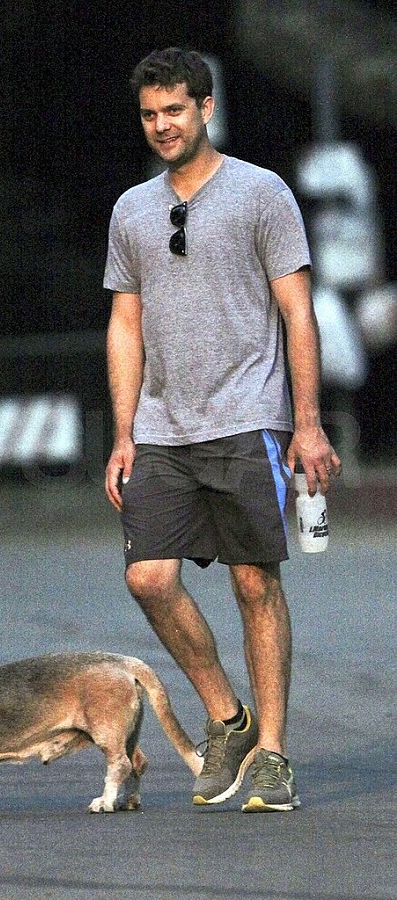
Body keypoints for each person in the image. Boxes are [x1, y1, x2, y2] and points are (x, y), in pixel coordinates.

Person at [103, 47, 341, 813]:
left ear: (205, 108)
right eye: (150, 113)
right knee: (148, 577)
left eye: (175, 109)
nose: (162, 125)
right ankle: (225, 718)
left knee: (253, 581)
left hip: (248, 418)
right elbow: (125, 322)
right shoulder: (132, 209)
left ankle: (271, 754)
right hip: (163, 426)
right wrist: (123, 432)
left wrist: (307, 425)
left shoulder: (261, 194)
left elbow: (298, 311)